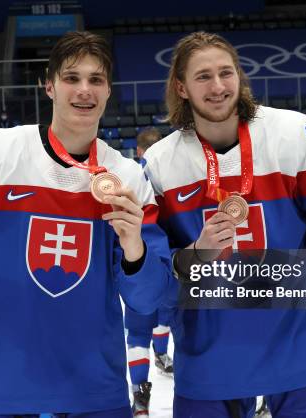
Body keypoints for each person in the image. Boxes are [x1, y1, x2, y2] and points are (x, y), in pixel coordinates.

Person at [142, 31, 306, 418]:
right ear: (180, 87)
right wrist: (196, 254)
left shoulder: (294, 133)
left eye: (226, 72)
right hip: (211, 362)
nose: (218, 86)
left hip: (304, 352)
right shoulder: (159, 164)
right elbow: (155, 278)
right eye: (203, 76)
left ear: (239, 76)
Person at [0, 31, 172, 417]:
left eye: (96, 79)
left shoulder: (126, 178)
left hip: (91, 387)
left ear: (109, 90)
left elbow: (148, 299)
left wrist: (134, 247)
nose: (84, 90)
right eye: (71, 78)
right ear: (48, 86)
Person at [125, 127, 174, 417]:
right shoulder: (173, 170)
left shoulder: (129, 175)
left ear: (140, 151)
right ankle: (162, 356)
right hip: (173, 260)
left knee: (137, 331)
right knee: (167, 317)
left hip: (140, 260)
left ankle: (140, 397)